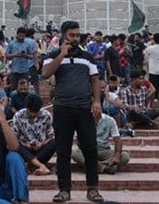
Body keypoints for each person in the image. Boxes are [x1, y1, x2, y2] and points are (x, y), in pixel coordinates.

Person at [41, 20, 104, 203]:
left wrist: (97, 101)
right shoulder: (52, 55)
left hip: (84, 108)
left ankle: (92, 189)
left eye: (78, 35)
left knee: (90, 150)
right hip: (62, 108)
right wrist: (61, 55)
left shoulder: (87, 57)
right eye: (72, 35)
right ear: (63, 36)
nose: (76, 38)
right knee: (63, 151)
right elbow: (45, 73)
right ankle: (64, 190)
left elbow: (94, 80)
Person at [72, 109, 130, 175]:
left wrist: (117, 155)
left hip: (105, 150)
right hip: (88, 150)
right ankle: (105, 168)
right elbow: (79, 142)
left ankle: (94, 166)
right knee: (74, 154)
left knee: (125, 156)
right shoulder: (81, 120)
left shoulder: (110, 120)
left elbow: (118, 140)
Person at [11, 94, 55, 176]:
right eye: (30, 111)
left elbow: (50, 136)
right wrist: (26, 145)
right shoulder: (18, 116)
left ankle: (29, 164)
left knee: (54, 143)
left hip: (41, 149)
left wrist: (41, 144)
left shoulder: (46, 115)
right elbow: (14, 138)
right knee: (15, 145)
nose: (32, 114)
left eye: (35, 112)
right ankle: (39, 165)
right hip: (25, 148)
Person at [5, 27, 38, 93]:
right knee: (14, 89)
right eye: (20, 36)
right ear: (17, 35)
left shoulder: (27, 44)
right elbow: (6, 56)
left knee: (25, 88)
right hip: (14, 70)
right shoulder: (11, 44)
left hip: (24, 70)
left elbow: (31, 56)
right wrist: (15, 55)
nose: (21, 37)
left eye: (23, 36)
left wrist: (26, 55)